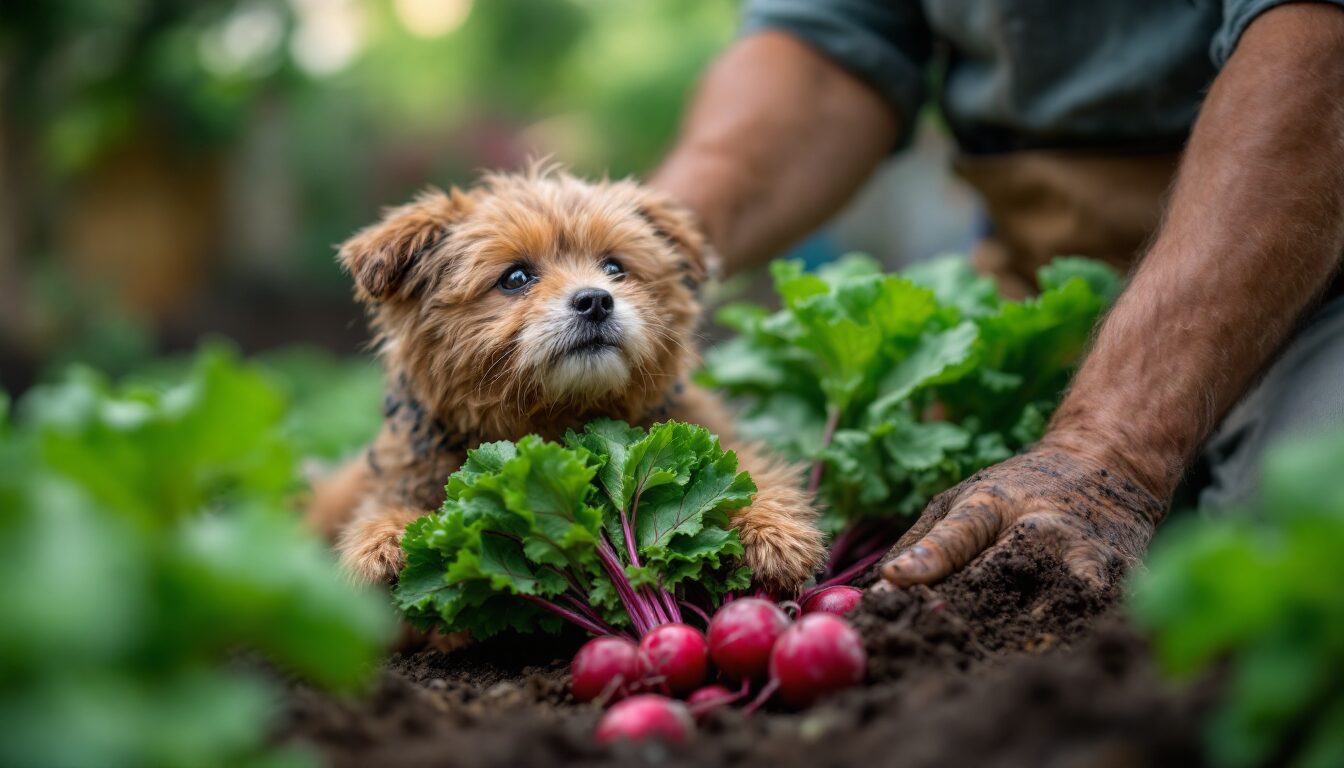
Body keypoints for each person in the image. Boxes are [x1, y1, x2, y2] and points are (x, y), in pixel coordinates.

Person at [649, 1, 1344, 591]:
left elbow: (1321, 53)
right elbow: (829, 50)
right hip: (1041, 280)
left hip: (1312, 264)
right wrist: (625, 258)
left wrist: (1109, 452)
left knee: (1306, 541)